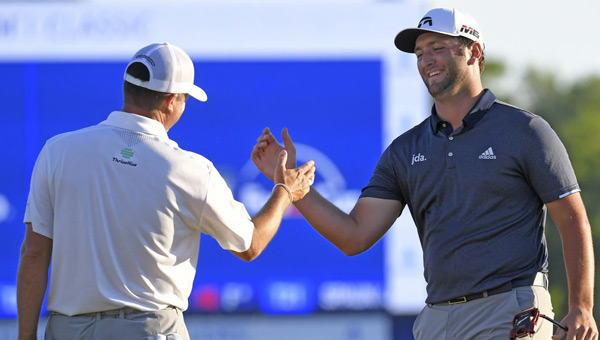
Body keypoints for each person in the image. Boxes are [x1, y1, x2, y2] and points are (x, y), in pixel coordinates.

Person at [251, 8, 597, 340]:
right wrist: (293, 186)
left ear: (473, 51)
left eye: (438, 48)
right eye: (419, 53)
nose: (426, 60)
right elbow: (354, 236)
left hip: (511, 310)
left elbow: (571, 220)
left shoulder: (525, 130)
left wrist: (581, 306)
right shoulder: (405, 149)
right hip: (437, 318)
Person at [17, 42, 316, 340]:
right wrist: (284, 191)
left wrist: (26, 336)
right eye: (186, 98)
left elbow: (34, 253)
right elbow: (250, 245)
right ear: (171, 100)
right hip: (150, 330)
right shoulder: (189, 169)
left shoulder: (57, 152)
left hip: (69, 331)